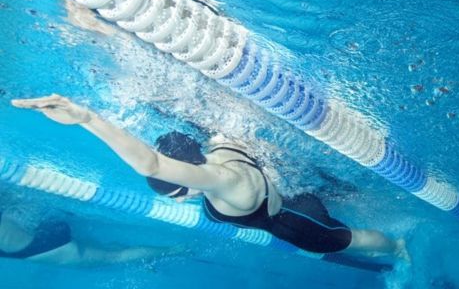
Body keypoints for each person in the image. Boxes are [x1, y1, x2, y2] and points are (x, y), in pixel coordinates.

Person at [12, 94, 408, 262]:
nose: (179, 200)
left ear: (188, 181)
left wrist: (89, 120)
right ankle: (345, 191)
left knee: (344, 240)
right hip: (284, 186)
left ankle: (397, 247)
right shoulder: (216, 139)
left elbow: (150, 164)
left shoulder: (221, 182)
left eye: (177, 194)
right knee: (322, 194)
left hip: (292, 220)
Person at [0, 205, 175, 266]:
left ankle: (178, 250)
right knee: (113, 255)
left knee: (114, 257)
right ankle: (176, 250)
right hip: (39, 245)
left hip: (34, 248)